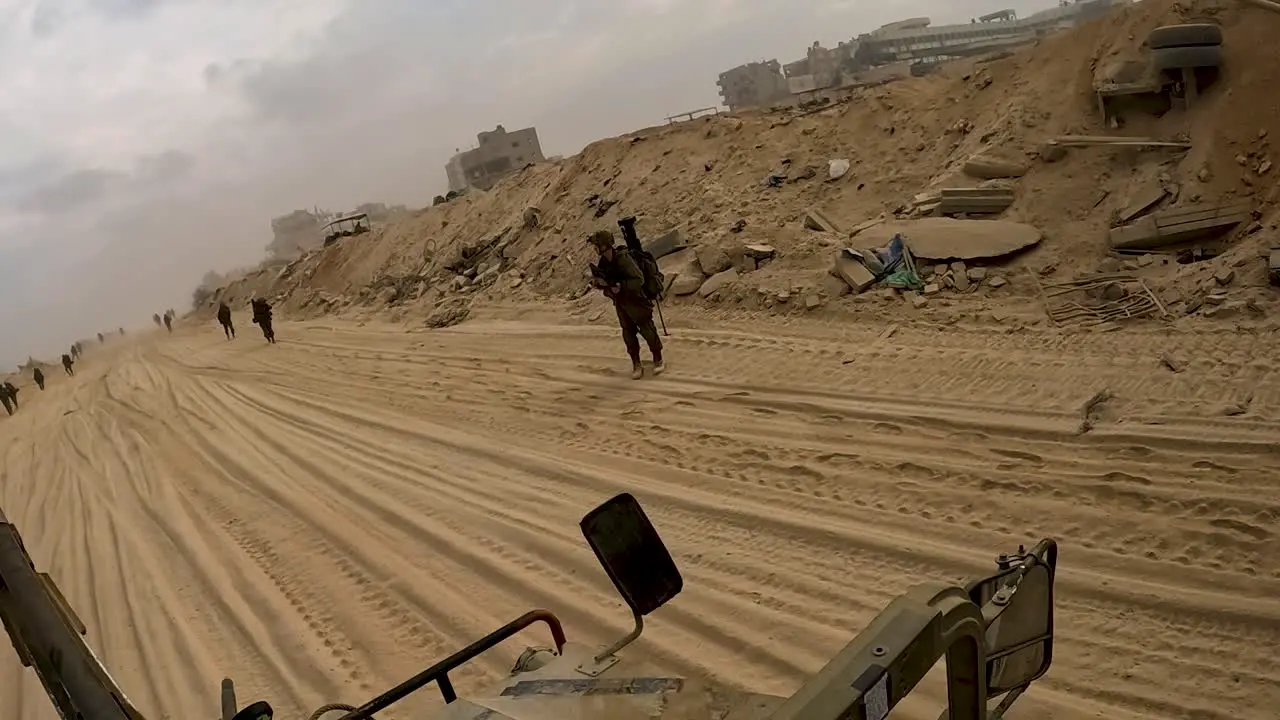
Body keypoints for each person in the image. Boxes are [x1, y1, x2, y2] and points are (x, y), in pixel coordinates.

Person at [587, 229, 664, 379]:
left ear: (604, 246)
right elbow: (608, 283)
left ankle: (658, 358)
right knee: (628, 333)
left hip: (636, 301)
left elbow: (639, 280)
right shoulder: (604, 262)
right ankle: (636, 363)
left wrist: (621, 286)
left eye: (597, 245)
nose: (595, 248)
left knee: (647, 329)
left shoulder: (623, 259)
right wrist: (601, 284)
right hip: (622, 303)